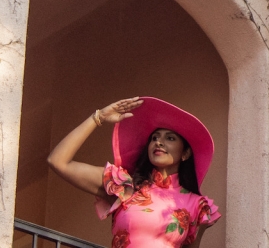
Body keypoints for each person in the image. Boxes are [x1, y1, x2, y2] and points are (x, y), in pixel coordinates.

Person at [48, 97, 220, 248]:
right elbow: (58, 161)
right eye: (155, 138)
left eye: (170, 138)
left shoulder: (198, 206)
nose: (159, 142)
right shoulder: (125, 186)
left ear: (185, 153)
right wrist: (98, 117)